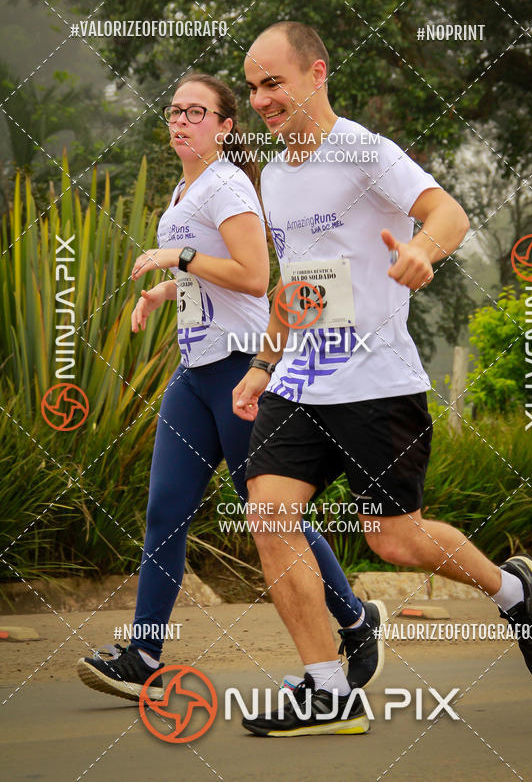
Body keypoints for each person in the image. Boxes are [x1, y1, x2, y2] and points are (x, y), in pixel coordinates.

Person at [233, 22, 532, 737]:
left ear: (317, 73)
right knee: (269, 515)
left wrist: (421, 250)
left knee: (395, 539)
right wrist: (265, 362)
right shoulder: (276, 176)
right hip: (302, 379)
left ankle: (512, 591)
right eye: (254, 87)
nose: (261, 99)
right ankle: (327, 690)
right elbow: (297, 284)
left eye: (273, 82)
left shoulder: (365, 151)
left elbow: (449, 212)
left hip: (377, 384)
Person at [76, 72, 383, 702]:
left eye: (196, 111)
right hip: (194, 374)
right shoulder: (184, 189)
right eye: (174, 111)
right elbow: (208, 275)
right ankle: (143, 655)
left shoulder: (228, 184)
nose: (181, 120)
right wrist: (167, 290)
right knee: (165, 512)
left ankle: (355, 619)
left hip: (242, 371)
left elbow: (253, 276)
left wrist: (178, 260)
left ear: (224, 126)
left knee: (272, 515)